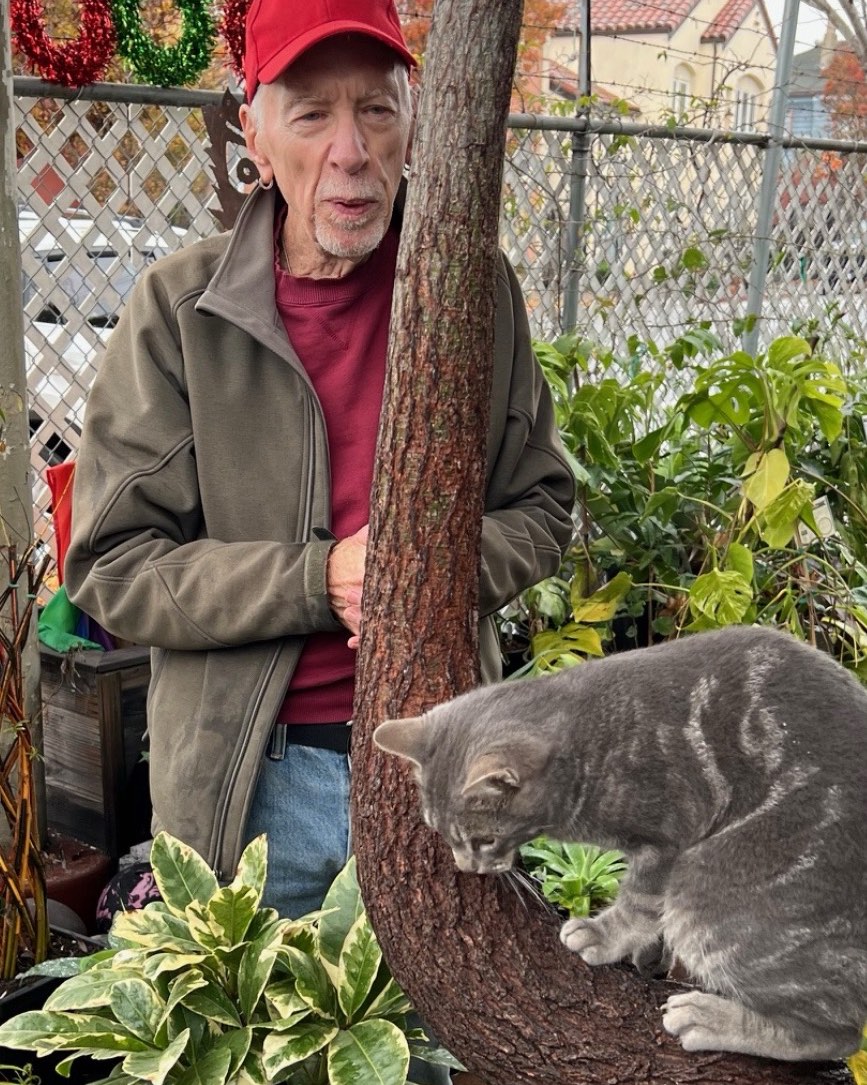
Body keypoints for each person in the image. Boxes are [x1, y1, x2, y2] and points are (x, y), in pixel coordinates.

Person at [66, 0, 573, 937]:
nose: (350, 150)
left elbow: (540, 508)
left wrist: (423, 576)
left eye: (376, 110)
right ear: (253, 130)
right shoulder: (181, 312)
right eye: (310, 113)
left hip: (441, 768)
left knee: (429, 1060)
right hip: (255, 785)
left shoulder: (472, 287)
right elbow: (114, 565)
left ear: (416, 121)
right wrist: (317, 578)